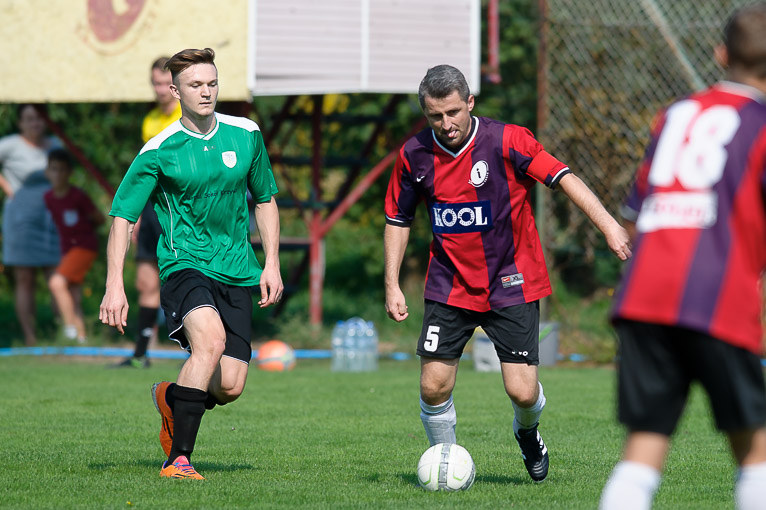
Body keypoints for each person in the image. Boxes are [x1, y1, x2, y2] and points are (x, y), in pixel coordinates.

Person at [384, 64, 630, 482]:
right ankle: (444, 464)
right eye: (435, 116)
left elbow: (564, 178)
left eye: (453, 112)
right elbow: (397, 219)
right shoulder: (414, 155)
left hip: (511, 281)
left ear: (470, 103)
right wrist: (391, 283)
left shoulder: (508, 140)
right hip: (449, 284)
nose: (446, 124)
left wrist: (608, 225)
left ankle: (528, 432)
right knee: (433, 385)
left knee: (522, 391)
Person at [600, 4, 766, 509]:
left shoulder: (674, 114)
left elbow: (635, 214)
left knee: (644, 444)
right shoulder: (760, 123)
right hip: (717, 298)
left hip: (644, 295)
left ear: (721, 54)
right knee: (754, 449)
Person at [99, 47, 282, 480]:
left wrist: (271, 263)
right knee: (210, 342)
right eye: (196, 84)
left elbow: (265, 200)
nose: (206, 91)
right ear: (175, 91)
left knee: (230, 385)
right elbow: (122, 218)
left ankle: (172, 398)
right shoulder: (159, 150)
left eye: (212, 83)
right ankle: (178, 460)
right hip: (185, 265)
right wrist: (114, 284)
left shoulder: (246, 134)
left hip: (237, 267)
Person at [112, 56, 182, 368]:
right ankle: (141, 354)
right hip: (153, 210)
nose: (160, 89)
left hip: (179, 210)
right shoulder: (150, 121)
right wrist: (138, 213)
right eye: (155, 83)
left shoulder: (188, 116)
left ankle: (198, 351)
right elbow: (145, 175)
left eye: (165, 83)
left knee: (185, 279)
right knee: (145, 282)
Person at [0, 104, 61, 346]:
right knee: (24, 277)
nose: (35, 123)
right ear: (20, 123)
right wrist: (9, 189)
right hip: (20, 219)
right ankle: (30, 337)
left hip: (50, 219)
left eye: (38, 118)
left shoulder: (55, 145)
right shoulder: (9, 145)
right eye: (29, 119)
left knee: (57, 275)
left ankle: (62, 334)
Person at [43, 148, 104, 343]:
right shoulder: (48, 198)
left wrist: (84, 229)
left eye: (62, 170)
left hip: (84, 247)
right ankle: (81, 338)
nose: (58, 174)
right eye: (54, 169)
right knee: (72, 293)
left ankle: (69, 327)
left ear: (69, 172)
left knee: (56, 283)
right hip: (67, 249)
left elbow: (99, 218)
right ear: (47, 172)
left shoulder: (78, 196)